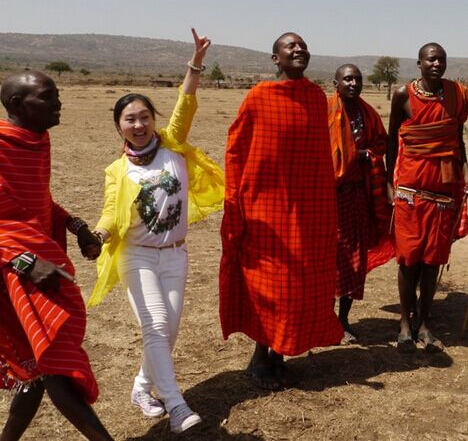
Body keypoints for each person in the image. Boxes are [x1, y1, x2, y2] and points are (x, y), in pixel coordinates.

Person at [88, 29, 224, 434]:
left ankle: (141, 387)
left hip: (175, 254)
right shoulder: (117, 171)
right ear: (119, 127)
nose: (139, 124)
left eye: (144, 116)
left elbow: (186, 103)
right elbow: (110, 214)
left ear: (154, 119)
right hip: (138, 255)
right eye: (130, 119)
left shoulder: (172, 145)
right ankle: (176, 405)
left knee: (168, 330)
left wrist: (195, 63)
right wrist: (98, 235)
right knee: (156, 325)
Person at [220, 32, 343, 390]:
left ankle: (279, 354)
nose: (299, 49)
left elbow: (319, 158)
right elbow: (237, 150)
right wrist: (237, 202)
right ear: (276, 59)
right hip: (266, 210)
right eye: (291, 46)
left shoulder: (316, 97)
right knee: (271, 285)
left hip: (308, 210)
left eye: (303, 45)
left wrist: (324, 206)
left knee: (299, 283)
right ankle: (261, 356)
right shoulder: (260, 97)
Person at [0, 71, 113, 441]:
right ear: (17, 104)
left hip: (32, 265)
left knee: (38, 371)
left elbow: (35, 204)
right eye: (47, 96)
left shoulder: (36, 142)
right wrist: (20, 259)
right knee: (55, 363)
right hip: (12, 271)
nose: (58, 103)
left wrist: (76, 226)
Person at [387, 42, 468, 353]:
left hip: (443, 189)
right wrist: (389, 184)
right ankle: (404, 322)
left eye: (442, 59)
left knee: (432, 260)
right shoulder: (402, 95)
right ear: (419, 63)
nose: (437, 64)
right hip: (410, 189)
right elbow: (392, 142)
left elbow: (457, 140)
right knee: (408, 259)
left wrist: (466, 175)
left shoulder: (455, 95)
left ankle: (424, 322)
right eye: (431, 59)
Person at [328, 64, 394, 343]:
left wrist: (367, 157)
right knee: (330, 260)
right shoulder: (325, 112)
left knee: (355, 260)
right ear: (336, 83)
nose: (353, 83)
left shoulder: (367, 114)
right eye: (347, 79)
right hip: (329, 198)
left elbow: (381, 144)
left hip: (358, 195)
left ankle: (343, 320)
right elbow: (319, 151)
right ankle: (325, 320)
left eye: (357, 79)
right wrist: (355, 155)